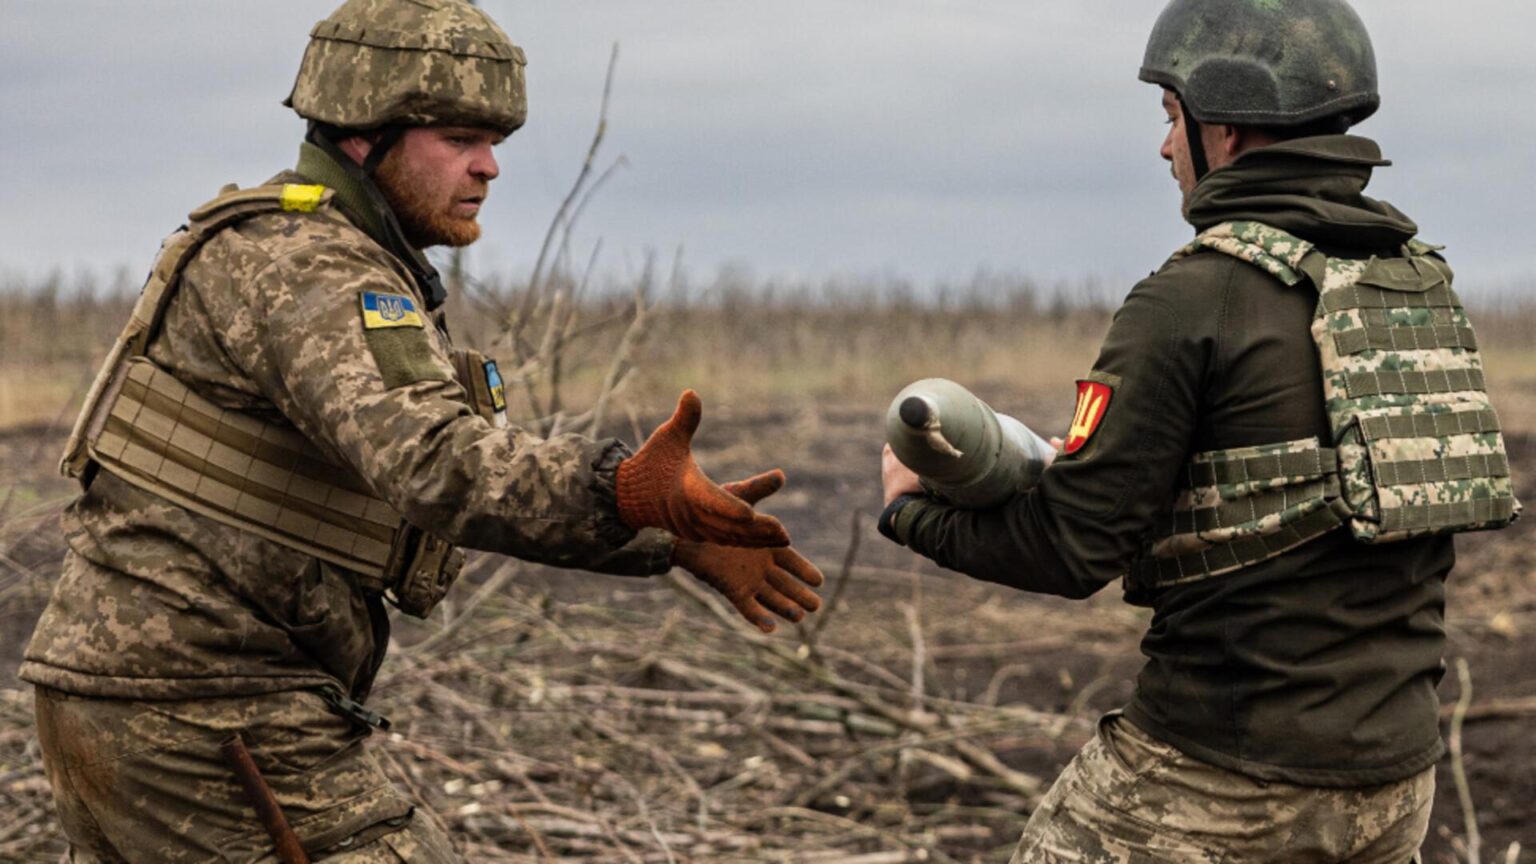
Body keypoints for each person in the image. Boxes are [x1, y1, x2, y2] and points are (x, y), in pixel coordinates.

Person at [21, 0, 824, 860]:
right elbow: (437, 464)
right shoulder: (311, 266)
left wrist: (664, 535)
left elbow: (387, 502)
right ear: (364, 134)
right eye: (458, 138)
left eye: (495, 144)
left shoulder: (311, 252)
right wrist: (624, 491)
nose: (488, 168)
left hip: (146, 691)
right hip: (205, 705)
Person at [879, 1, 1519, 861]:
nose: (1164, 146)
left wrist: (910, 512)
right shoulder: (1420, 287)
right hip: (1395, 786)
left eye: (1171, 117)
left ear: (1223, 125)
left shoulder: (1192, 298)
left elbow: (1068, 550)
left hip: (1219, 778)